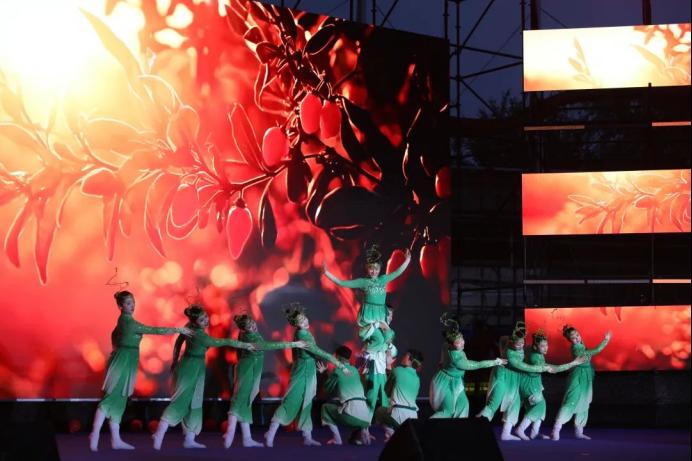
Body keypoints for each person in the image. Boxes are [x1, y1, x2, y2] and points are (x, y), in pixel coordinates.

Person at [89, 290, 191, 452]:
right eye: (128, 303)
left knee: (120, 399)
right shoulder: (128, 323)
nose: (132, 306)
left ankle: (115, 439)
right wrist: (179, 330)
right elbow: (154, 330)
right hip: (123, 361)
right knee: (111, 398)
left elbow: (114, 338)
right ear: (120, 306)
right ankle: (95, 434)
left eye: (133, 302)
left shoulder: (123, 323)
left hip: (128, 360)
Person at [152, 305, 255, 450]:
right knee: (181, 401)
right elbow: (223, 342)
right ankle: (159, 433)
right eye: (202, 319)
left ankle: (189, 439)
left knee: (195, 402)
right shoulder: (201, 336)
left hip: (196, 367)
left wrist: (175, 359)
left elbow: (179, 341)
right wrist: (243, 344)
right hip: (189, 368)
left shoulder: (189, 327)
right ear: (195, 322)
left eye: (206, 317)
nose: (206, 320)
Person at [264, 303, 350, 447]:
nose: (305, 322)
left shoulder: (304, 333)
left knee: (307, 402)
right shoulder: (302, 335)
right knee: (291, 401)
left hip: (308, 370)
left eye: (305, 319)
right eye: (301, 321)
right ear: (296, 325)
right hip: (302, 371)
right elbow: (320, 352)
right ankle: (271, 434)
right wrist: (340, 365)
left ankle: (307, 437)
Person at [223, 313, 308, 448]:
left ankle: (247, 438)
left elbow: (239, 353)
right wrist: (294, 344)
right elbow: (271, 346)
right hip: (249, 369)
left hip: (246, 367)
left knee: (245, 402)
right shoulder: (253, 339)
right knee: (239, 400)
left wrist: (241, 365)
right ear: (244, 328)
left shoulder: (242, 334)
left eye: (252, 323)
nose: (253, 326)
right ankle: (230, 432)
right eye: (249, 326)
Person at [477, 322, 555, 441]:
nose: (520, 346)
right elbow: (526, 367)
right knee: (494, 403)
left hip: (515, 377)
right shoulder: (510, 353)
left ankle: (506, 433)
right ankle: (475, 428)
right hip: (503, 376)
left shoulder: (514, 343)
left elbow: (503, 338)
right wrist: (543, 368)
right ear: (512, 342)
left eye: (522, 343)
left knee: (515, 403)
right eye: (518, 344)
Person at [430, 314, 506, 419]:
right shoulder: (457, 360)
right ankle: (428, 426)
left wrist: (442, 361)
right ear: (452, 344)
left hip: (456, 380)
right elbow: (478, 364)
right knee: (447, 411)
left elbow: (445, 349)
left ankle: (459, 427)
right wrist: (496, 361)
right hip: (445, 382)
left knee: (463, 405)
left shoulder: (446, 345)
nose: (462, 343)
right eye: (458, 342)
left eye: (462, 339)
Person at [514, 329, 585, 440]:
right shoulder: (536, 358)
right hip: (529, 385)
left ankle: (534, 433)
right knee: (539, 406)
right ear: (535, 347)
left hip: (534, 383)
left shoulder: (535, 352)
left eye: (546, 345)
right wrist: (574, 363)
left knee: (540, 406)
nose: (546, 348)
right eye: (542, 346)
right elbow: (555, 369)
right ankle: (520, 429)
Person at [323, 245, 411, 327]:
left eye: (376, 268)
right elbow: (341, 283)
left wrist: (407, 260)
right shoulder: (365, 283)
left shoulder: (383, 281)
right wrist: (327, 273)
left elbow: (397, 272)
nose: (373, 271)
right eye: (371, 268)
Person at [551, 325, 611, 441]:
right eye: (573, 338)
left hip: (586, 376)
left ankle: (579, 431)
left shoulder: (582, 345)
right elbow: (594, 351)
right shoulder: (576, 348)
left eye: (577, 335)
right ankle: (556, 429)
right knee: (571, 401)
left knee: (585, 401)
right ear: (570, 340)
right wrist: (606, 340)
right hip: (578, 376)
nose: (577, 338)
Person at [318, 345, 372, 446]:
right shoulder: (355, 370)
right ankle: (362, 432)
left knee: (325, 408)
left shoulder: (338, 370)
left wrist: (323, 373)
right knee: (345, 407)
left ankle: (337, 439)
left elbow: (327, 389)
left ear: (337, 357)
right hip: (366, 417)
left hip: (352, 414)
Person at [375, 349, 424, 442]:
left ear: (410, 359)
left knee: (379, 411)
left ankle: (392, 435)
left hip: (398, 415)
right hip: (413, 417)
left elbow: (387, 391)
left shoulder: (397, 370)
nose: (403, 356)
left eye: (405, 355)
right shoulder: (417, 378)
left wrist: (388, 365)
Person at [360, 304, 397, 411]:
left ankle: (384, 419)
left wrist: (390, 346)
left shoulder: (389, 331)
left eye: (391, 315)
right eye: (388, 314)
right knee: (370, 397)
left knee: (384, 398)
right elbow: (362, 335)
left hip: (382, 368)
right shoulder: (374, 327)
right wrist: (376, 325)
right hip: (372, 365)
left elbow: (393, 352)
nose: (390, 317)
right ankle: (366, 419)